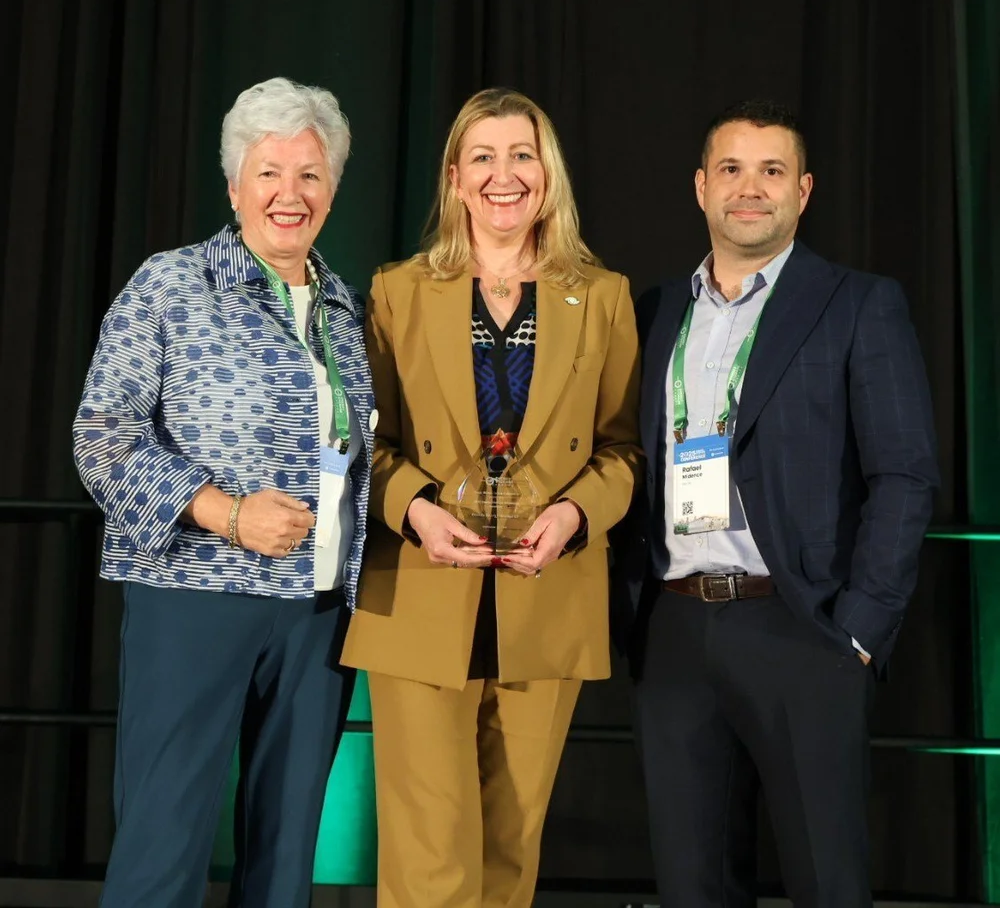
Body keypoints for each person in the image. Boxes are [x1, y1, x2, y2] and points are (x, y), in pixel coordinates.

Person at [622, 100, 939, 907]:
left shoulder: (859, 303)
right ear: (700, 188)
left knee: (827, 882)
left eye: (771, 172)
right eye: (731, 169)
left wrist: (860, 631)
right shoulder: (654, 312)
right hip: (675, 634)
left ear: (804, 190)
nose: (749, 189)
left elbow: (905, 473)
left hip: (803, 627)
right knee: (692, 888)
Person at [72, 77, 374, 908]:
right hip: (192, 597)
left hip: (317, 613)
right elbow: (100, 436)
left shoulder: (350, 310)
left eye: (310, 174)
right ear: (234, 183)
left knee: (285, 860)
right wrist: (226, 513)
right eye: (268, 172)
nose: (290, 194)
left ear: (334, 187)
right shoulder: (169, 286)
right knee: (163, 843)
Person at [340, 87, 642, 907]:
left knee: (510, 854)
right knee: (431, 856)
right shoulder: (398, 292)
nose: (503, 175)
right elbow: (368, 441)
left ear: (548, 174)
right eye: (483, 157)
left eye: (521, 155)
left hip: (547, 596)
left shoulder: (603, 295)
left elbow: (622, 451)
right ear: (454, 175)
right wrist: (415, 510)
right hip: (421, 592)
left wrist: (575, 516)